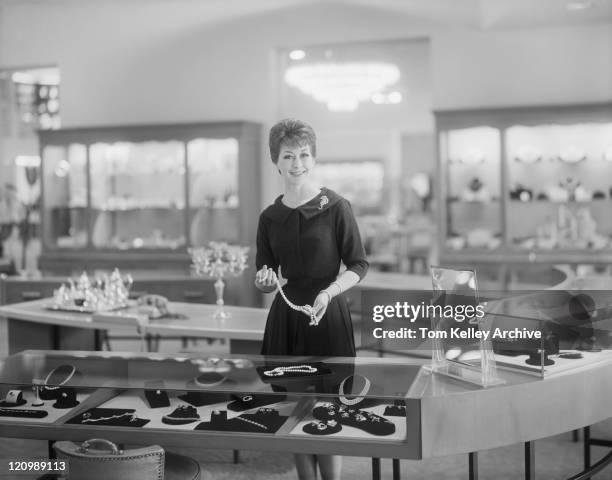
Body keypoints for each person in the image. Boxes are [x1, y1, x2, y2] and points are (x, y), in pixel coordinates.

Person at [255, 118, 369, 480]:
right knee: (294, 407)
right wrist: (264, 279)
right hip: (287, 316)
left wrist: (330, 291)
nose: (297, 163)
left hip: (327, 311)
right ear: (276, 161)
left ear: (314, 158)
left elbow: (358, 264)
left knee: (328, 405)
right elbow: (265, 274)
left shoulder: (336, 206)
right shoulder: (269, 217)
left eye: (304, 154)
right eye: (288, 155)